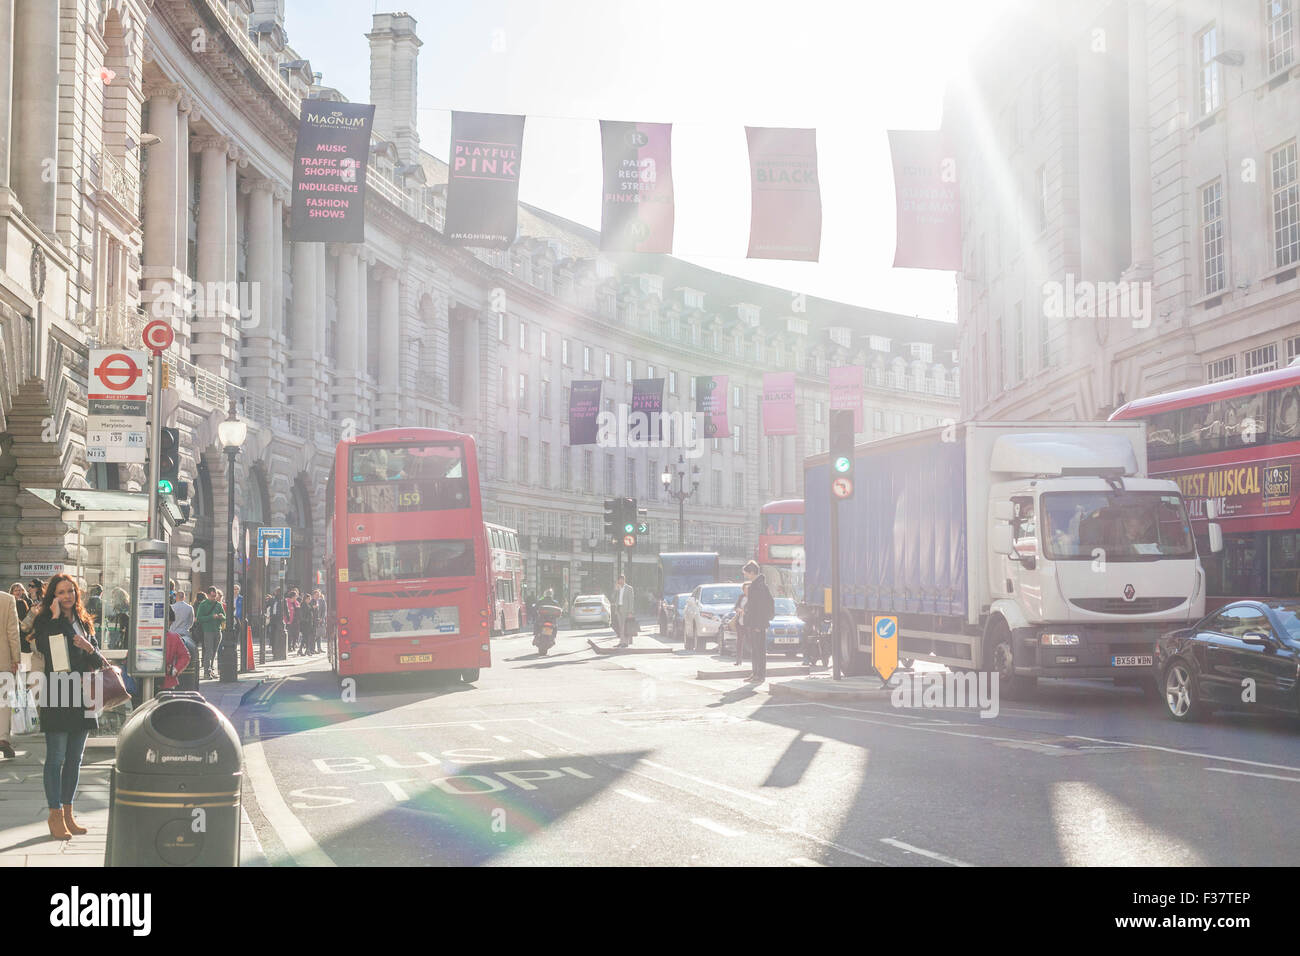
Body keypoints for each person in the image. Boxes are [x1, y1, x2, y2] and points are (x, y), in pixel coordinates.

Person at [31, 573, 106, 840]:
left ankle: (69, 811)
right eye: (61, 592)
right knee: (56, 758)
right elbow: (44, 648)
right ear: (53, 596)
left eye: (70, 591)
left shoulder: (84, 622)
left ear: (77, 594)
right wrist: (52, 618)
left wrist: (88, 647)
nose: (66, 596)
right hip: (58, 694)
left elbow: (99, 661)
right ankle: (55, 815)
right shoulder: (46, 621)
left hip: (83, 695)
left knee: (75, 759)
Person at [741, 561, 775, 685]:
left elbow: (761, 607)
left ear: (752, 572)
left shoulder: (759, 587)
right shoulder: (755, 585)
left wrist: (759, 625)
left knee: (759, 650)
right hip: (753, 623)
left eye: (746, 574)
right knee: (755, 650)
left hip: (758, 624)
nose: (746, 576)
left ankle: (760, 675)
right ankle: (755, 673)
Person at [0, 587, 20, 759]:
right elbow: (13, 633)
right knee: (4, 701)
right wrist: (16, 659)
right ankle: (3, 739)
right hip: (3, 659)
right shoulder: (7, 600)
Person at [732, 581, 750, 666]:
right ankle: (738, 661)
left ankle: (754, 660)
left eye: (748, 589)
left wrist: (745, 612)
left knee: (751, 641)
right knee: (739, 641)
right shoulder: (741, 597)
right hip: (740, 622)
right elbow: (735, 606)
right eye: (745, 589)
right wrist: (738, 609)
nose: (747, 590)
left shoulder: (754, 598)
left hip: (749, 623)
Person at [613, 575, 634, 647]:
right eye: (619, 580)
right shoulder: (618, 588)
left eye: (621, 580)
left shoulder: (629, 588)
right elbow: (613, 598)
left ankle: (626, 642)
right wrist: (616, 590)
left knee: (626, 626)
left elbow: (631, 600)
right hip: (618, 609)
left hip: (626, 610)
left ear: (624, 580)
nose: (620, 581)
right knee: (620, 626)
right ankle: (621, 641)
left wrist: (630, 612)